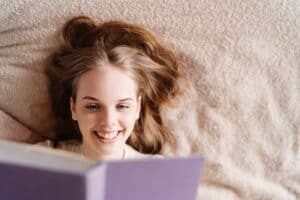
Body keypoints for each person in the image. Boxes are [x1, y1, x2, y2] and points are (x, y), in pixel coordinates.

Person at [41, 16, 187, 161]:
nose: (108, 122)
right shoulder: (41, 158)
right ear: (73, 108)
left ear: (137, 108)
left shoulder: (157, 170)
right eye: (92, 106)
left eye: (122, 106)